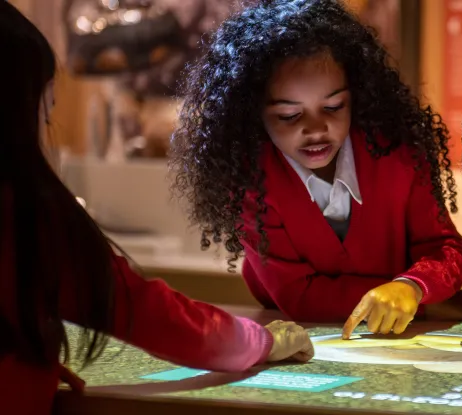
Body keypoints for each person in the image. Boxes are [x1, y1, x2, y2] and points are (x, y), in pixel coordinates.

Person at [0, 3, 313, 414]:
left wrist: (28, 363)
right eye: (47, 114)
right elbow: (159, 318)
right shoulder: (32, 220)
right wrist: (264, 341)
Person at [169, 0, 462, 339]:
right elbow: (298, 296)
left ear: (356, 96)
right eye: (289, 115)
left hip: (399, 337)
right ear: (252, 115)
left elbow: (446, 250)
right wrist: (420, 301)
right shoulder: (247, 181)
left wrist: (411, 287)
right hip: (311, 340)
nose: (315, 129)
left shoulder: (397, 152)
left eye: (333, 106)